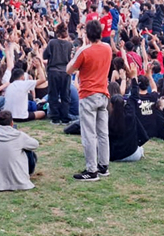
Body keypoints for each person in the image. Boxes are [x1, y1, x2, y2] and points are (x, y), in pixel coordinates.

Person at [67, 19, 112, 181]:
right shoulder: (107, 48)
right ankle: (103, 166)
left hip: (88, 94)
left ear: (87, 34)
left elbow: (69, 70)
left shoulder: (84, 51)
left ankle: (92, 170)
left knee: (89, 134)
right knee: (102, 133)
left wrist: (76, 55)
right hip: (103, 93)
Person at [0, 110, 40, 191]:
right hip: (18, 180)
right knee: (29, 150)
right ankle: (27, 172)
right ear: (12, 123)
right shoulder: (19, 135)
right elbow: (35, 144)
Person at [43, 22, 73, 125]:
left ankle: (55, 118)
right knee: (65, 95)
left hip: (53, 71)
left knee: (53, 95)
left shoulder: (52, 43)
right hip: (65, 71)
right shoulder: (69, 45)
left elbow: (44, 56)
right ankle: (65, 117)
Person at [108, 94, 149, 162]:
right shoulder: (131, 117)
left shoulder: (107, 120)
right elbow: (134, 97)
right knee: (140, 148)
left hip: (113, 156)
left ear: (111, 105)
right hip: (132, 155)